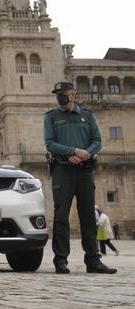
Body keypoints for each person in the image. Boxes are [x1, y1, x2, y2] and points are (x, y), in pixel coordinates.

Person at [44, 81, 116, 274]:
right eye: (57, 93)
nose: (60, 96)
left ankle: (93, 261)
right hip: (62, 170)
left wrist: (86, 153)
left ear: (73, 94)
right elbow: (50, 144)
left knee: (87, 217)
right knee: (61, 217)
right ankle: (60, 261)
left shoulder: (87, 116)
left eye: (63, 93)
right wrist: (73, 151)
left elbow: (97, 141)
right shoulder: (51, 117)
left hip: (85, 171)